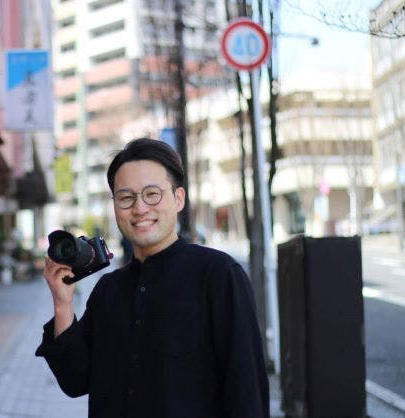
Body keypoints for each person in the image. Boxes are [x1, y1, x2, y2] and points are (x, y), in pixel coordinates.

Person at [36, 138, 269, 417]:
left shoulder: (218, 275)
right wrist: (62, 304)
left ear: (178, 198)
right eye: (126, 197)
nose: (140, 208)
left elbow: (247, 390)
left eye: (152, 194)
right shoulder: (109, 290)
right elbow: (75, 381)